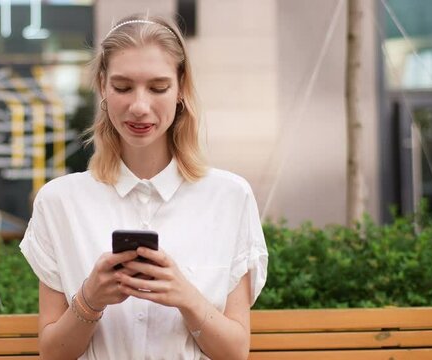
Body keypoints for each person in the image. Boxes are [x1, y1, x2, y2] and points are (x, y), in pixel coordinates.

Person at [20, 14, 268, 360]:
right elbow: (53, 353)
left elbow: (235, 352)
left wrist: (186, 296)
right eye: (122, 87)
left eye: (158, 87)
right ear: (103, 86)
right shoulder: (60, 201)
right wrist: (91, 298)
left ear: (181, 88)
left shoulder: (230, 197)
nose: (139, 106)